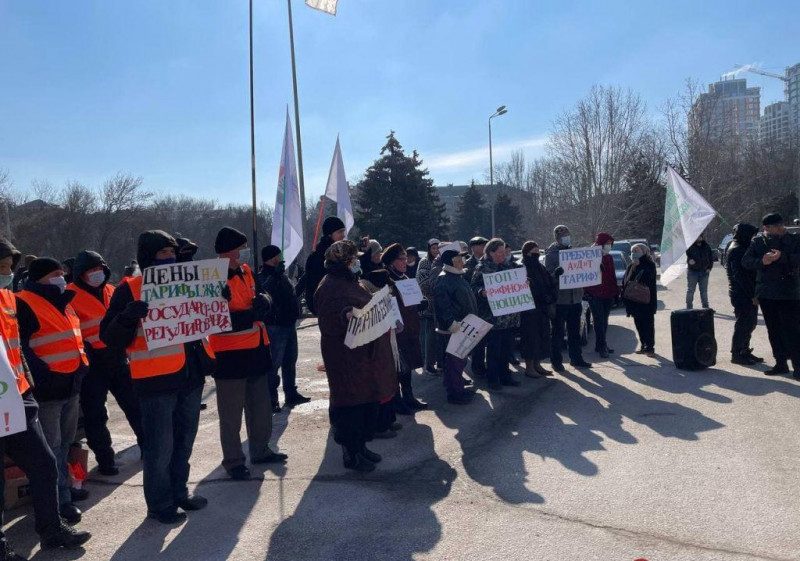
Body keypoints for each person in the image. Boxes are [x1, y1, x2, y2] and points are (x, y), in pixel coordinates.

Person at [100, 230, 214, 524]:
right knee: (159, 448)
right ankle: (159, 504)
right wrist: (127, 316)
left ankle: (179, 492)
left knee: (184, 442)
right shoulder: (130, 289)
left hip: (190, 375)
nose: (171, 258)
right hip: (156, 381)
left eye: (172, 252)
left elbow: (206, 316)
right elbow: (108, 336)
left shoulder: (190, 281)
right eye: (163, 253)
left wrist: (218, 298)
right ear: (148, 256)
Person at [0, 240, 91, 556]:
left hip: (18, 396)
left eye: (9, 267)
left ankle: (52, 531)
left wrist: (29, 384)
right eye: (1, 268)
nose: (8, 273)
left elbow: (17, 348)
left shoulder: (9, 300)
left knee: (45, 464)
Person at [16, 258, 89, 524]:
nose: (61, 278)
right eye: (55, 274)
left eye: (62, 273)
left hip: (71, 385)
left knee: (65, 444)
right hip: (48, 390)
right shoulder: (23, 302)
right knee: (52, 449)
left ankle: (64, 491)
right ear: (40, 278)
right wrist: (43, 375)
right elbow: (22, 347)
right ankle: (60, 503)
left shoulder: (63, 300)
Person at [209, 228, 286, 481]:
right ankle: (233, 461)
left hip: (255, 349)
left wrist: (264, 300)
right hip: (229, 355)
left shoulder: (246, 270)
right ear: (227, 251)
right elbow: (214, 317)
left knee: (260, 407)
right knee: (231, 415)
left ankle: (260, 450)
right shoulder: (211, 278)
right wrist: (247, 315)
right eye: (239, 248)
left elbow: (259, 292)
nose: (244, 253)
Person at [314, 240, 397, 472]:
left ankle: (360, 446)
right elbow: (329, 322)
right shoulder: (331, 285)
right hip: (347, 359)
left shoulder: (350, 281)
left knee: (364, 404)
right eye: (353, 259)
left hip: (363, 356)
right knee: (351, 407)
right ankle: (350, 452)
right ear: (344, 262)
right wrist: (346, 315)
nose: (357, 262)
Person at [67, 250, 143, 476]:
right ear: (81, 274)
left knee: (134, 405)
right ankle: (106, 459)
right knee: (95, 414)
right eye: (91, 270)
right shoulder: (69, 294)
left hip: (117, 356)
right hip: (93, 362)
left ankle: (148, 446)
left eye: (100, 269)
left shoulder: (112, 290)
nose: (97, 274)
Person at [742, 213, 800, 377]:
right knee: (774, 331)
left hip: (790, 292)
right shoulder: (758, 242)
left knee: (793, 331)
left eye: (782, 225)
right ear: (766, 228)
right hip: (767, 293)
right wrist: (762, 261)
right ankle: (780, 364)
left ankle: (798, 366)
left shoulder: (794, 240)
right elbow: (746, 262)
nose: (781, 228)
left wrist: (782, 257)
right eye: (777, 226)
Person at [258, 245, 309, 409]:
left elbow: (292, 293)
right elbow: (266, 292)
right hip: (275, 325)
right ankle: (271, 399)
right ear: (272, 257)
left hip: (289, 323)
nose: (281, 257)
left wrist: (302, 280)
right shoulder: (262, 276)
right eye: (278, 255)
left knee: (290, 361)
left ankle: (291, 394)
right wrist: (276, 275)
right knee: (274, 364)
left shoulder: (282, 275)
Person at [382, 244, 428, 411]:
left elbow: (415, 302)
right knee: (397, 368)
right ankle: (397, 400)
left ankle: (409, 397)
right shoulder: (386, 281)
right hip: (396, 332)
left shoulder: (406, 278)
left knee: (407, 367)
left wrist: (422, 303)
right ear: (391, 262)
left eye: (405, 258)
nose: (405, 262)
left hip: (410, 329)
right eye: (401, 259)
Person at [472, 238, 521, 390]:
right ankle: (493, 379)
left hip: (508, 318)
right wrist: (481, 292)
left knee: (506, 349)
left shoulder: (507, 266)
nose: (503, 255)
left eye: (504, 252)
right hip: (492, 318)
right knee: (494, 351)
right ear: (491, 252)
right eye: (499, 252)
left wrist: (523, 284)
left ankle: (506, 376)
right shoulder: (482, 268)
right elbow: (473, 287)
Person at [433, 246, 478, 404]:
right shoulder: (444, 279)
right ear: (451, 262)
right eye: (458, 259)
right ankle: (455, 394)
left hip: (464, 326)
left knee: (460, 361)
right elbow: (442, 304)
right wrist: (451, 323)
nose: (461, 262)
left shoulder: (457, 277)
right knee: (454, 362)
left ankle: (456, 386)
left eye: (461, 259)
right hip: (454, 328)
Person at [545, 225, 592, 371]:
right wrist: (555, 274)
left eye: (567, 233)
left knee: (574, 332)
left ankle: (576, 358)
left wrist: (595, 270)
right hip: (560, 300)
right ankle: (556, 361)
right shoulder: (551, 254)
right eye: (562, 234)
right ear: (557, 237)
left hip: (575, 298)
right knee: (558, 333)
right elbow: (548, 278)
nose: (566, 236)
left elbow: (584, 270)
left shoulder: (574, 252)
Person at [725, 223, 762, 365]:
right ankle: (737, 353)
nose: (753, 238)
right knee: (743, 323)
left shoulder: (741, 247)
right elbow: (739, 276)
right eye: (751, 235)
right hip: (741, 293)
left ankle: (744, 350)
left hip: (745, 291)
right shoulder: (737, 249)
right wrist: (751, 295)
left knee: (750, 323)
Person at [519, 241, 555, 378]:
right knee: (530, 338)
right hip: (528, 310)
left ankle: (537, 364)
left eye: (538, 250)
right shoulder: (522, 266)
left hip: (541, 308)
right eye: (534, 250)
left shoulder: (540, 266)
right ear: (527, 252)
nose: (536, 252)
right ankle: (529, 367)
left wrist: (549, 294)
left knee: (542, 336)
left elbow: (547, 282)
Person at [585, 233, 619, 358]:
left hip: (608, 293)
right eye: (607, 244)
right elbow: (585, 277)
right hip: (595, 294)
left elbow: (612, 276)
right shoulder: (590, 257)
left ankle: (600, 344)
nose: (609, 246)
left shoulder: (609, 258)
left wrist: (616, 292)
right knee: (598, 321)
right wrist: (587, 292)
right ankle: (602, 346)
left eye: (610, 244)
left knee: (604, 321)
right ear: (601, 244)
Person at [303, 216, 346, 315]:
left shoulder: (340, 252)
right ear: (329, 234)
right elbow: (312, 284)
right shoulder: (318, 256)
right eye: (340, 232)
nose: (343, 235)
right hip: (329, 309)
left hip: (341, 307)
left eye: (343, 231)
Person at [622, 243, 658, 356]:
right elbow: (626, 281)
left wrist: (638, 268)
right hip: (634, 301)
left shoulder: (649, 264)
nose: (634, 253)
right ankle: (643, 345)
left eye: (637, 251)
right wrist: (634, 268)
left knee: (648, 324)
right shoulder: (631, 266)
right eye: (632, 251)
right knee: (639, 324)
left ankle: (650, 347)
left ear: (643, 252)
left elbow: (649, 279)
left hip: (646, 301)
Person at [417, 238, 443, 374]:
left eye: (438, 248)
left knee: (439, 337)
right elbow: (424, 284)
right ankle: (428, 364)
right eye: (433, 248)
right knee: (429, 337)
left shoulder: (442, 261)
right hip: (428, 306)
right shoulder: (425, 262)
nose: (436, 250)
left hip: (441, 305)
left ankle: (439, 363)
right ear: (429, 249)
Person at [464, 237, 488, 377]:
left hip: (489, 307)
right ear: (473, 247)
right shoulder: (468, 264)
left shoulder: (487, 262)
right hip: (475, 307)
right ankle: (478, 368)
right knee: (477, 341)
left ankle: (486, 366)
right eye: (481, 245)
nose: (484, 247)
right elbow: (468, 286)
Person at [686, 233, 713, 309]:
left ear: (702, 237)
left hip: (704, 272)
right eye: (697, 236)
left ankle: (705, 307)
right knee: (690, 290)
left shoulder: (706, 246)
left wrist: (709, 268)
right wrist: (689, 261)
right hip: (692, 272)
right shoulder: (690, 246)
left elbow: (711, 258)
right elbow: (687, 257)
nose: (699, 238)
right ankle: (689, 307)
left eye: (700, 236)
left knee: (704, 291)